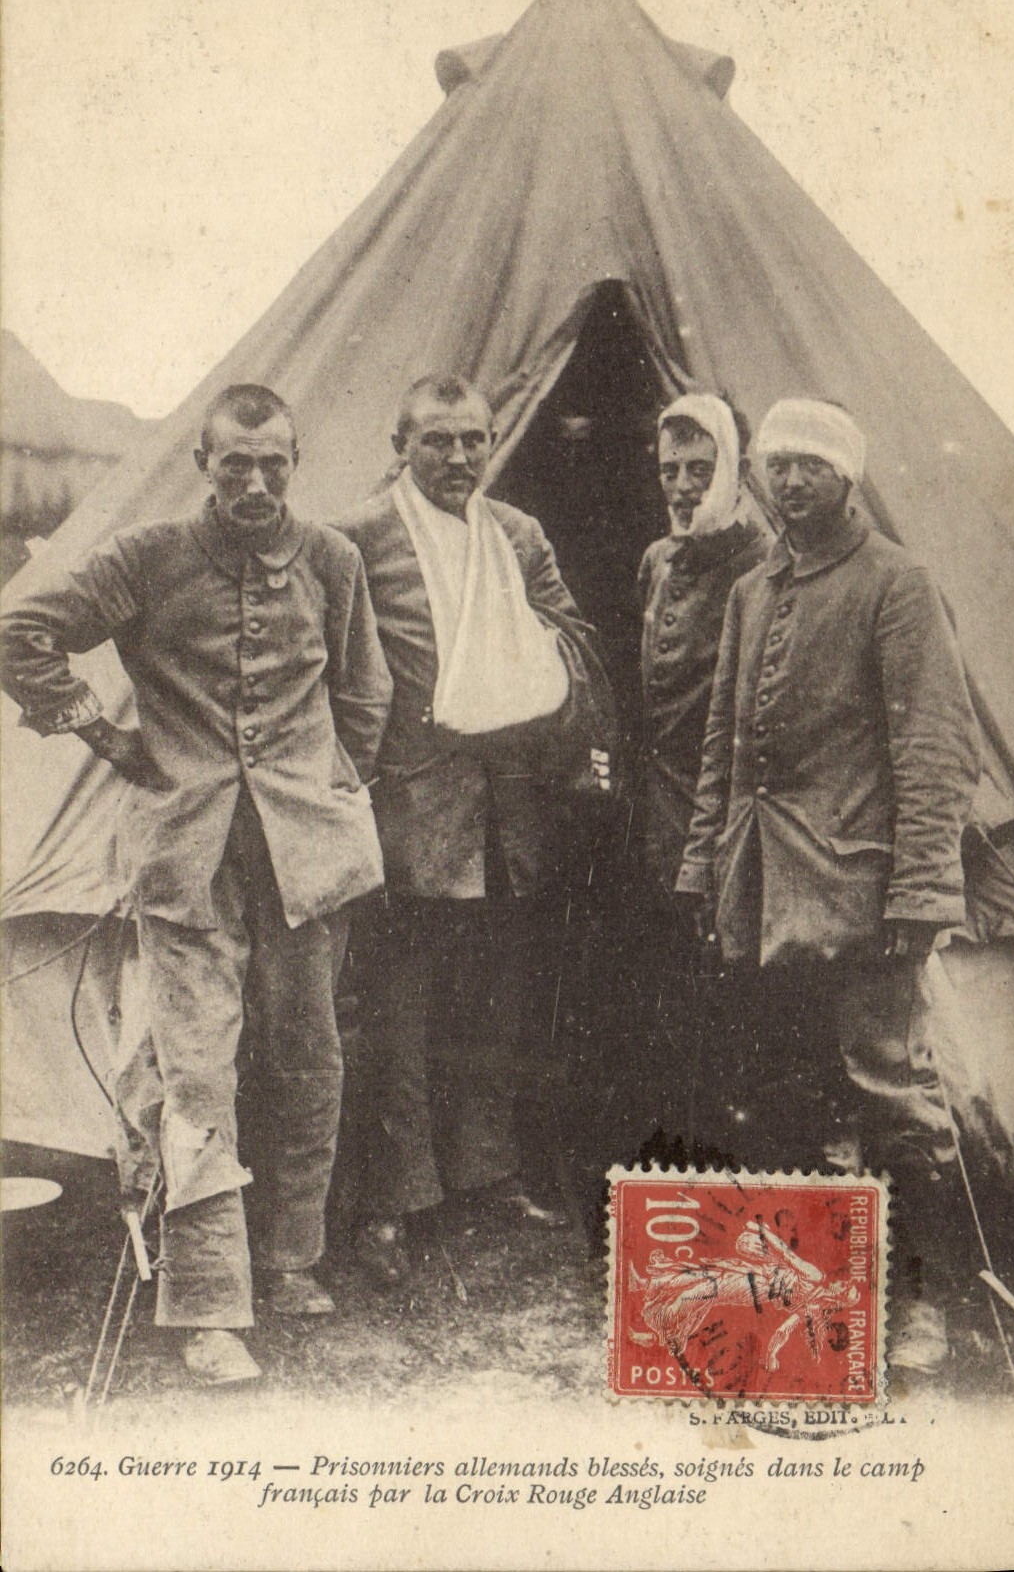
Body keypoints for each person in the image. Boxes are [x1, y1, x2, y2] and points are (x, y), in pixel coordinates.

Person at [1, 384, 392, 1385]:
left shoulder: (332, 559)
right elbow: (22, 629)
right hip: (186, 855)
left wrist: (334, 784)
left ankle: (293, 1260)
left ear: (294, 463)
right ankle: (210, 1305)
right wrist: (103, 731)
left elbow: (364, 688)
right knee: (198, 1068)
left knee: (310, 1054)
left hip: (305, 858)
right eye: (235, 466)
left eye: (273, 466)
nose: (256, 484)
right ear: (205, 465)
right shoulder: (149, 557)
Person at [675, 397, 981, 1372]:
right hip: (764, 892)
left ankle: (924, 1299)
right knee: (784, 1094)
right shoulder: (753, 590)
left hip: (863, 896)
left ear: (848, 477)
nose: (792, 481)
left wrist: (922, 894)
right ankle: (816, 1301)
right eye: (778, 464)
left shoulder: (898, 581)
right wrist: (702, 867)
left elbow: (934, 750)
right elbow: (723, 748)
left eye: (813, 465)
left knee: (890, 1091)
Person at [336, 374, 613, 1282]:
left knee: (495, 1009)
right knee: (398, 1017)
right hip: (407, 813)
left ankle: (487, 1176)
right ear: (400, 444)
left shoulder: (517, 536)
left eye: (474, 442)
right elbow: (334, 669)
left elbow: (573, 643)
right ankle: (392, 1203)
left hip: (507, 814)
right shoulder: (359, 538)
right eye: (438, 441)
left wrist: (514, 662)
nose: (459, 459)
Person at [633, 395, 769, 1147]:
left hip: (725, 810)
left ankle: (721, 1146)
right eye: (669, 471)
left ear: (736, 471)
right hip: (660, 805)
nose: (683, 487)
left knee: (725, 989)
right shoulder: (657, 561)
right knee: (667, 981)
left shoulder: (763, 565)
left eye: (699, 469)